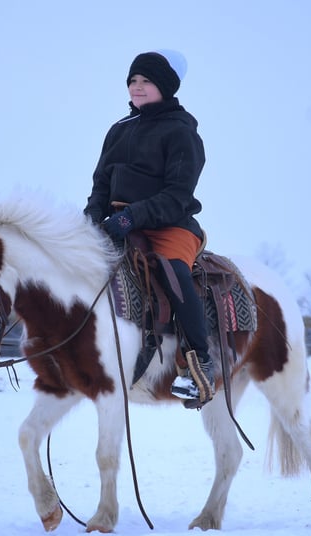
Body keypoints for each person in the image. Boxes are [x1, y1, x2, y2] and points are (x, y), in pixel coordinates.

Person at [83, 50, 214, 408]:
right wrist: (93, 220)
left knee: (173, 272)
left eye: (147, 81)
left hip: (169, 225)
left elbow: (177, 194)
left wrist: (130, 218)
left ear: (166, 87)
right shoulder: (118, 131)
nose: (137, 87)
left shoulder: (182, 130)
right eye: (133, 80)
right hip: (118, 225)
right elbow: (100, 185)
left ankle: (199, 364)